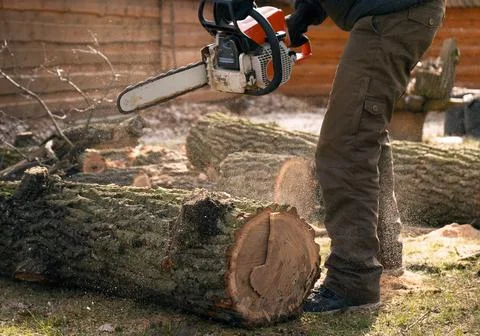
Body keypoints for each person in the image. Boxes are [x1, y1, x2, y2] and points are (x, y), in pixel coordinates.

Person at [286, 0, 446, 313]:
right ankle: (384, 255)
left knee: (347, 142)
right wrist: (305, 14)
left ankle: (353, 280)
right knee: (362, 130)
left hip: (392, 14)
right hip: (391, 13)